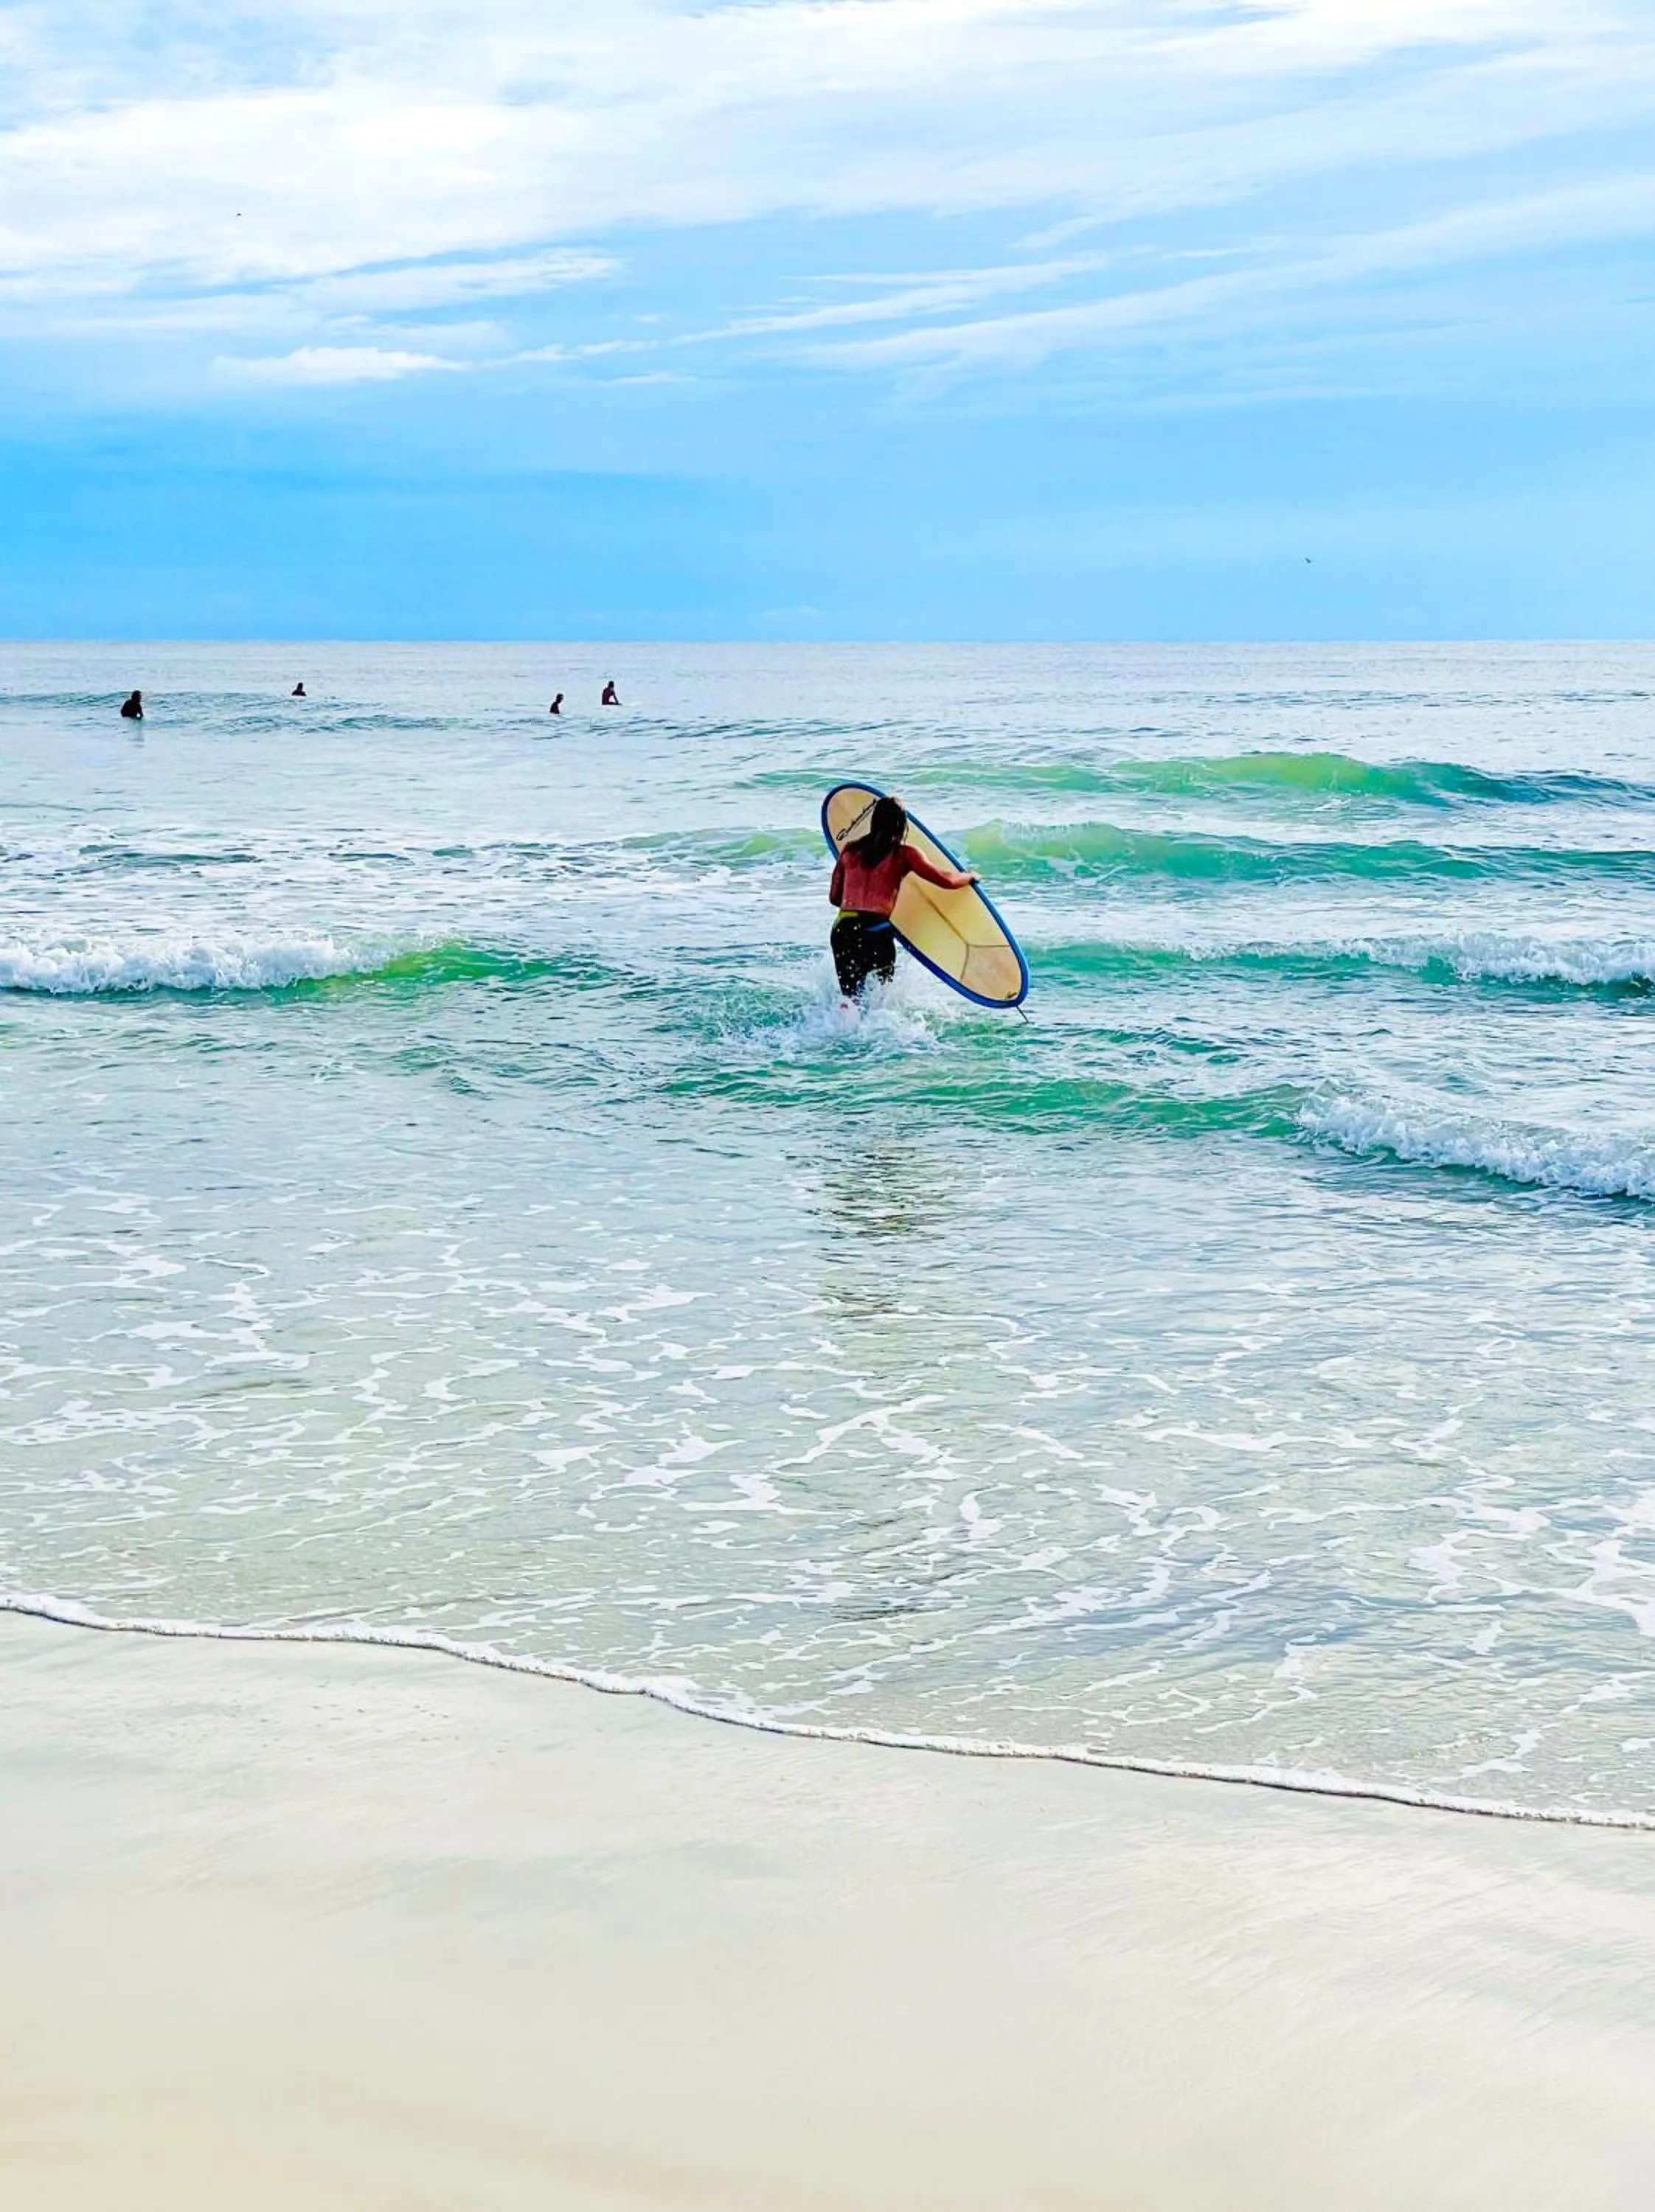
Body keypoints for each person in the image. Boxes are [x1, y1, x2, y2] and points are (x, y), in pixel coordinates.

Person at [828, 794, 976, 1001]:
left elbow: (835, 898)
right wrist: (969, 876)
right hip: (876, 930)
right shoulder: (904, 854)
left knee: (850, 998)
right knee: (881, 997)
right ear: (902, 825)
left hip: (844, 929)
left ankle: (838, 1027)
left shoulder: (850, 851)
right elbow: (946, 881)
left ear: (874, 821)